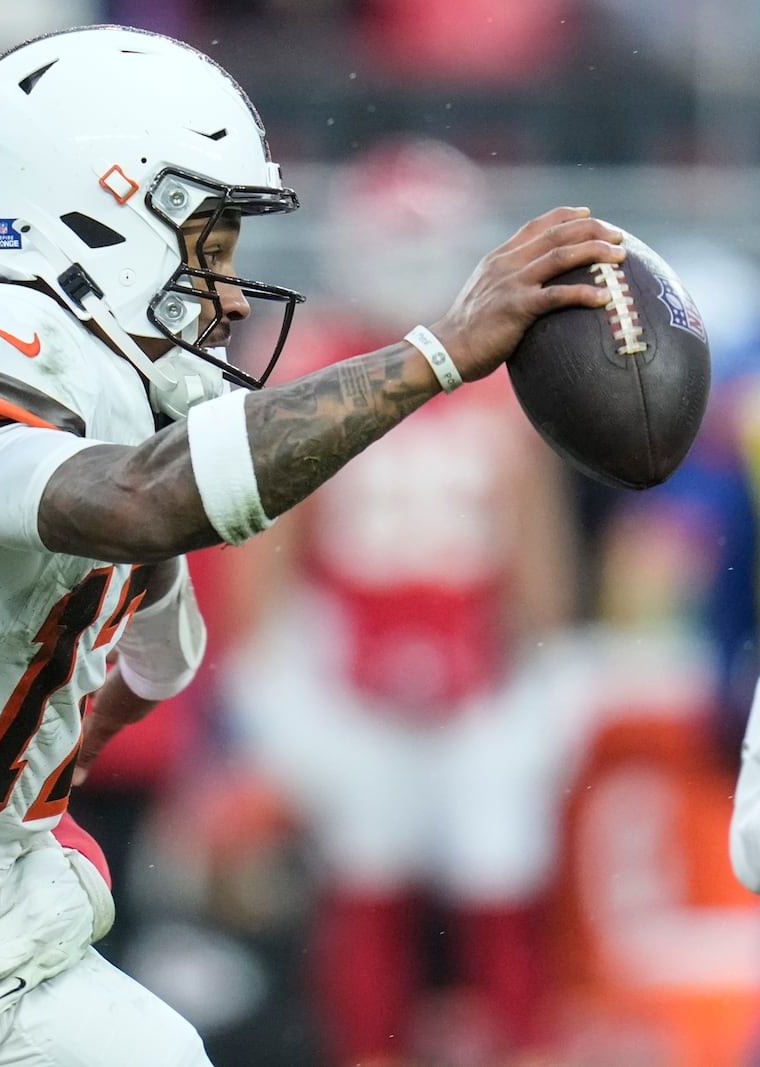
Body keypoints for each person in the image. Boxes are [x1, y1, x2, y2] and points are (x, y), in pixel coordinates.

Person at [0, 23, 627, 1067]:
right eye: (209, 244)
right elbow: (137, 505)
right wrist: (433, 354)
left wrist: (23, 789)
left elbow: (155, 658)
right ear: (94, 213)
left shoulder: (114, 388)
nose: (234, 294)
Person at [221, 137, 590, 1066]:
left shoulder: (489, 382)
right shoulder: (324, 365)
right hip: (357, 667)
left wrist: (545, 670)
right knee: (375, 881)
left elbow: (537, 554)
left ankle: (500, 1044)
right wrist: (267, 672)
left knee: (491, 877)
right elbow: (270, 537)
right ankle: (383, 1048)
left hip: (473, 664)